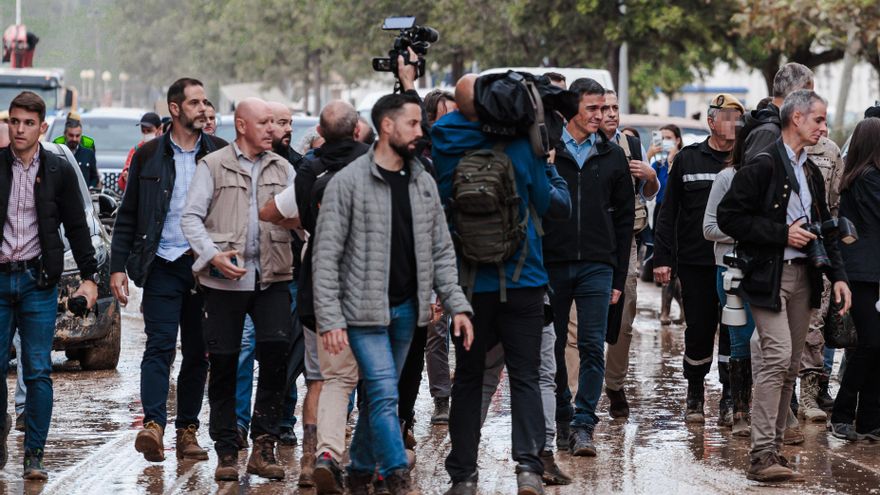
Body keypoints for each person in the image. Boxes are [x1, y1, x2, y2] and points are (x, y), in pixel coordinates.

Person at [312, 91, 473, 495]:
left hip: (408, 312)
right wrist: (330, 318)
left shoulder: (422, 180)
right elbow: (326, 256)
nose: (421, 131)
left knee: (379, 400)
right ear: (387, 126)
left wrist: (457, 305)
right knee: (384, 394)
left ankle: (361, 471)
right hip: (362, 314)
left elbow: (440, 249)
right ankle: (398, 476)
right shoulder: (348, 182)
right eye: (414, 124)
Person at [433, 74, 570, 495]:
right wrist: (549, 170)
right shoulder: (522, 144)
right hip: (524, 278)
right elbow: (550, 206)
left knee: (469, 378)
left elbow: (442, 203)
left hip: (469, 285)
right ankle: (528, 468)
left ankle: (463, 475)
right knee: (527, 375)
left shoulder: (444, 139)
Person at [717, 89, 851, 482]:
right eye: (819, 120)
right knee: (776, 357)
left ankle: (773, 449)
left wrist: (839, 276)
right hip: (768, 276)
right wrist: (781, 234)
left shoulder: (810, 169)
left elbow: (825, 227)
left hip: (804, 278)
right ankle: (760, 456)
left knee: (791, 364)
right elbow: (729, 217)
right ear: (796, 119)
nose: (824, 128)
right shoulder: (762, 164)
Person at [110, 78, 226, 465]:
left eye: (204, 102)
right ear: (175, 109)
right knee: (159, 346)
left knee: (198, 351)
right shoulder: (148, 156)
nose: (202, 108)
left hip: (205, 268)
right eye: (194, 102)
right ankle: (154, 426)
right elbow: (127, 216)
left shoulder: (220, 153)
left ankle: (187, 430)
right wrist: (117, 268)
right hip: (162, 263)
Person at [180, 97, 295, 482]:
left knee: (277, 357)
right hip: (224, 281)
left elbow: (300, 218)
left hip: (273, 277)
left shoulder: (284, 167)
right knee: (226, 362)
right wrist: (212, 256)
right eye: (264, 123)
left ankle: (264, 445)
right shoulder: (212, 165)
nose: (273, 130)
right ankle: (227, 450)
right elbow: (191, 218)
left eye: (274, 124)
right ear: (242, 125)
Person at [0, 91, 99, 480]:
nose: (20, 129)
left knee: (38, 369)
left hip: (38, 282)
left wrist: (90, 279)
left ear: (43, 128)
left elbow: (77, 227)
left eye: (28, 123)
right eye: (14, 122)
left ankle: (34, 455)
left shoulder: (57, 170)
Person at [542, 78, 633, 457]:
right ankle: (562, 413)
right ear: (573, 110)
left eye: (605, 108)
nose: (601, 115)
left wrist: (617, 274)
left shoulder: (612, 156)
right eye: (593, 108)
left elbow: (625, 219)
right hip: (554, 262)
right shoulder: (549, 151)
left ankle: (583, 424)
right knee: (556, 344)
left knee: (594, 345)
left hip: (598, 265)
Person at [653, 94, 744, 425]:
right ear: (711, 121)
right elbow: (668, 212)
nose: (735, 124)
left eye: (739, 117)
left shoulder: (747, 161)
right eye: (728, 117)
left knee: (733, 330)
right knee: (701, 328)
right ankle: (695, 392)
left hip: (736, 262)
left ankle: (730, 395)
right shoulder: (689, 159)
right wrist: (663, 259)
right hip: (696, 263)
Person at [294, 99, 370, 492]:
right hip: (370, 285)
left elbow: (307, 220)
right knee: (375, 379)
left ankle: (319, 456)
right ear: (358, 131)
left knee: (325, 377)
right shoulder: (374, 164)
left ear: (320, 133)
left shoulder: (309, 167)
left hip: (320, 284)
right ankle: (365, 459)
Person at [234, 100, 305, 449]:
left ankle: (282, 420)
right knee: (244, 348)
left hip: (286, 273)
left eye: (288, 122)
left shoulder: (299, 168)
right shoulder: (230, 163)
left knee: (284, 352)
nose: (284, 129)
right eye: (277, 122)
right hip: (242, 273)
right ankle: (237, 423)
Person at [599, 88, 659, 419]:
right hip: (592, 243)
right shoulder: (582, 146)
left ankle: (615, 385)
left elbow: (647, 192)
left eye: (615, 107)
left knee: (624, 316)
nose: (610, 113)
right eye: (603, 107)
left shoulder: (630, 145)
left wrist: (650, 177)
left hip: (627, 243)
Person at [702, 124, 758, 437]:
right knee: (739, 338)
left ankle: (779, 411)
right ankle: (739, 409)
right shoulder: (727, 178)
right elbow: (709, 228)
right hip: (730, 269)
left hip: (769, 268)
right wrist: (749, 230)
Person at [828, 117, 880, 441]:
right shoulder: (867, 179)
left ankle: (870, 419)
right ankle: (843, 413)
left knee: (877, 346)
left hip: (868, 272)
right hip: (863, 274)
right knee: (870, 344)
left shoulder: (861, 176)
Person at [648, 124, 685, 325]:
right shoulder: (658, 165)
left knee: (677, 271)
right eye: (661, 137)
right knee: (664, 266)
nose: (664, 141)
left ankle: (679, 310)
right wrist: (649, 155)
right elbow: (646, 188)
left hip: (680, 220)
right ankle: (665, 311)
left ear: (677, 140)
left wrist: (672, 159)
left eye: (669, 137)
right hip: (662, 218)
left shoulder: (683, 160)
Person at [119, 112, 163, 192]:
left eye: (149, 130)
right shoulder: (135, 150)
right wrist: (125, 178)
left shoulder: (166, 149)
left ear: (159, 129)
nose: (146, 133)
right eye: (143, 130)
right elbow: (122, 183)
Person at [62, 114, 99, 188]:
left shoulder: (89, 154)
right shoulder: (58, 153)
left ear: (81, 135)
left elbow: (94, 177)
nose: (74, 139)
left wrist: (90, 188)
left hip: (83, 197)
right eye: (71, 135)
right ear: (65, 134)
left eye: (77, 136)